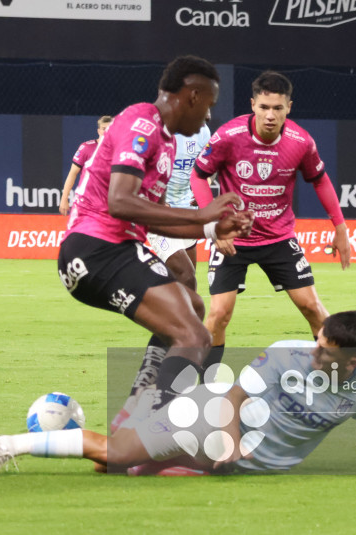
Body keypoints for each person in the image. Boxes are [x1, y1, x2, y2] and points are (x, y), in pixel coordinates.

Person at [0, 311, 356, 478]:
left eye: (325, 352)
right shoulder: (287, 354)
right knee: (118, 453)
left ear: (352, 361)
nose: (314, 352)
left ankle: (141, 432)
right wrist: (229, 442)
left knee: (121, 468)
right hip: (209, 418)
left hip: (240, 460)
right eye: (317, 342)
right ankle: (3, 446)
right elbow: (234, 397)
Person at [57, 55, 253, 424]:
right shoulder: (142, 122)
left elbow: (156, 218)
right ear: (192, 96)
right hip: (96, 248)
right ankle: (147, 428)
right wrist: (202, 214)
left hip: (113, 249)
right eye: (209, 105)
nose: (208, 117)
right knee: (194, 336)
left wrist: (213, 229)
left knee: (193, 308)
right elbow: (119, 202)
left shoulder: (166, 143)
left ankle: (133, 413)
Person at [189, 71, 351, 378]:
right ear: (253, 105)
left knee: (312, 307)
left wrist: (340, 228)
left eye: (277, 108)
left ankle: (336, 375)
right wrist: (215, 225)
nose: (270, 115)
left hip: (278, 238)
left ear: (289, 107)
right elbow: (198, 176)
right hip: (234, 238)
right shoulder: (228, 136)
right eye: (264, 107)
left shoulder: (301, 141)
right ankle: (207, 383)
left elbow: (320, 180)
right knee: (219, 314)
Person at [147, 124, 212, 292]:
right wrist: (157, 202)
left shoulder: (203, 131)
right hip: (159, 216)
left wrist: (200, 191)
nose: (207, 115)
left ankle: (177, 309)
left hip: (186, 212)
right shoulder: (157, 131)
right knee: (186, 275)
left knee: (189, 282)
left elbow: (206, 168)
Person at [59, 115, 113, 215]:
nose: (106, 131)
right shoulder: (86, 148)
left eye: (109, 128)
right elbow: (72, 173)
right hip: (88, 203)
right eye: (103, 129)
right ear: (98, 131)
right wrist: (64, 198)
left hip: (109, 204)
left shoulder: (118, 150)